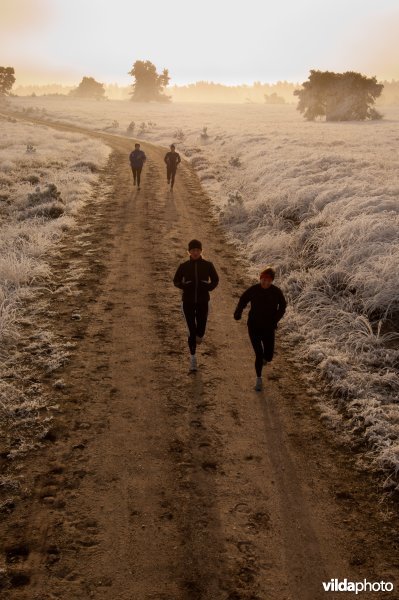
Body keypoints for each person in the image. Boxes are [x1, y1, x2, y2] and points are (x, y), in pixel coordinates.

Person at [234, 266, 286, 391]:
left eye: (268, 280)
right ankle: (259, 379)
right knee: (259, 353)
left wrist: (275, 319)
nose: (265, 282)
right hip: (254, 326)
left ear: (271, 281)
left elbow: (283, 306)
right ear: (260, 278)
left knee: (268, 356)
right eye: (263, 279)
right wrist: (238, 312)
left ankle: (264, 359)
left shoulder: (276, 292)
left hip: (269, 327)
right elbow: (243, 299)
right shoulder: (254, 289)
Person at [173, 240, 219, 371]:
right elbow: (175, 281)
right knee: (191, 332)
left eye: (197, 250)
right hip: (187, 303)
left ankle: (199, 336)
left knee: (200, 332)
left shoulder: (208, 265)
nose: (195, 252)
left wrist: (209, 287)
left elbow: (215, 280)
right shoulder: (183, 266)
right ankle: (193, 359)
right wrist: (184, 286)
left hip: (204, 302)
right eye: (192, 250)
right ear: (189, 251)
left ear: (201, 251)